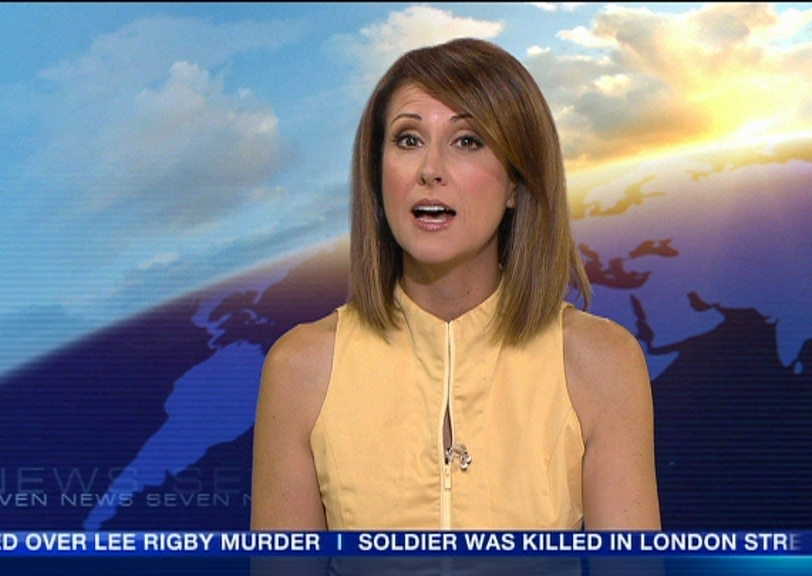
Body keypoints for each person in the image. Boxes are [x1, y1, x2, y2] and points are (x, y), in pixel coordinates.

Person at [251, 37, 660, 531]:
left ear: (516, 182)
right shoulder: (301, 371)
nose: (430, 170)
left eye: (467, 141)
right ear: (377, 175)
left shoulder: (601, 364)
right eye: (408, 140)